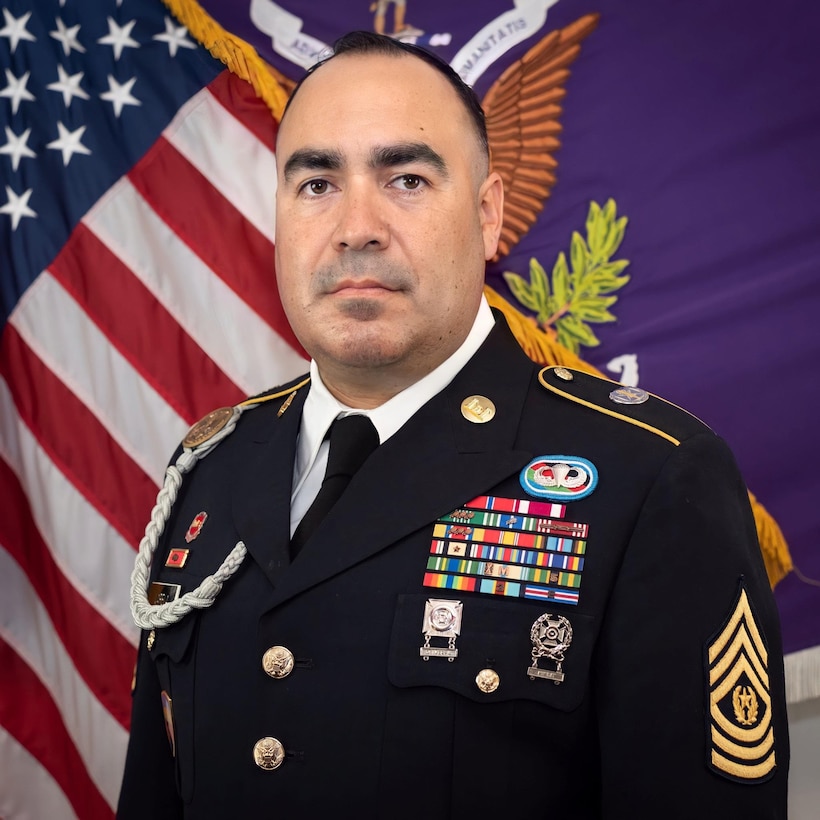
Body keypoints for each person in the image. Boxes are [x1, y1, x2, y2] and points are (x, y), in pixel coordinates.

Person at [117, 31, 789, 818]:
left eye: (405, 178)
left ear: (488, 212)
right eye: (316, 184)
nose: (356, 226)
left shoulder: (649, 480)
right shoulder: (212, 466)